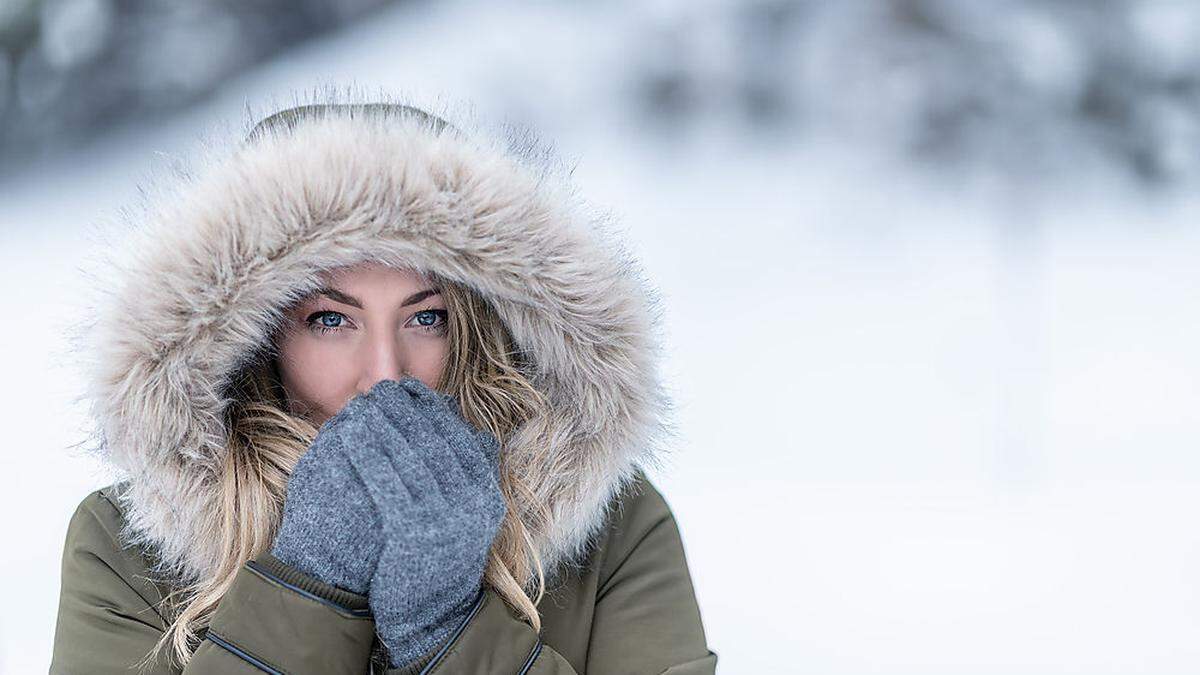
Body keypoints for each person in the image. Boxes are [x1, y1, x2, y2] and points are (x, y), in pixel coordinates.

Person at [48, 96, 719, 674]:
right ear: (254, 337)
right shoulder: (126, 547)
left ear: (476, 326)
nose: (385, 372)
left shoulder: (609, 527)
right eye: (331, 319)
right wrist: (308, 586)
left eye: (426, 317)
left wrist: (452, 630)